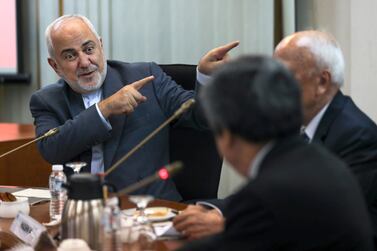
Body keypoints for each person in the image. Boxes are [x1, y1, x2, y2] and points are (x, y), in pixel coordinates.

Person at [174, 30, 377, 241]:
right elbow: (272, 196)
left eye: (283, 76)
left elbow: (323, 220)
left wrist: (226, 223)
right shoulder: (303, 125)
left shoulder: (357, 136)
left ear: (322, 82)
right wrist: (214, 209)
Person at [29, 14, 239, 201]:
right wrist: (105, 109)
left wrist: (204, 76)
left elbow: (200, 116)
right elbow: (51, 149)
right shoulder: (47, 100)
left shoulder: (146, 76)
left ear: (101, 46)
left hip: (150, 209)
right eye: (70, 56)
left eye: (89, 49)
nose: (84, 62)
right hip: (81, 212)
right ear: (55, 65)